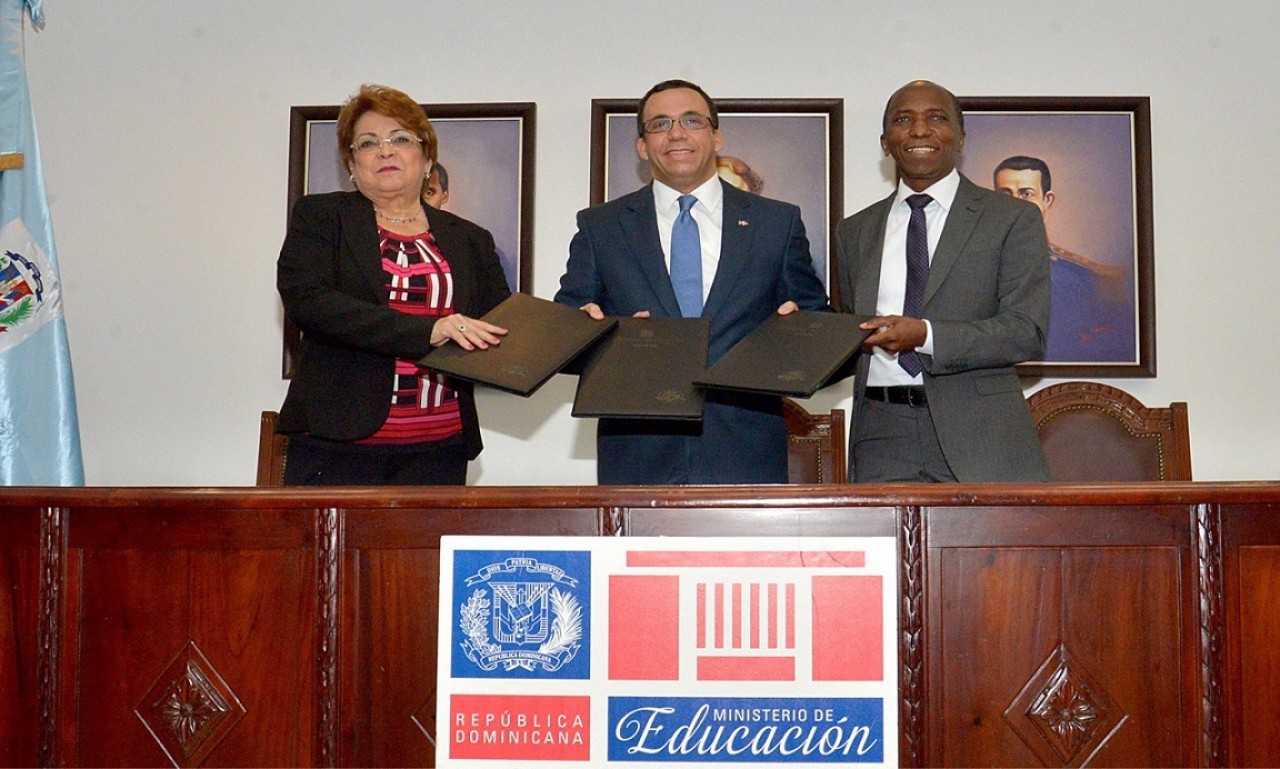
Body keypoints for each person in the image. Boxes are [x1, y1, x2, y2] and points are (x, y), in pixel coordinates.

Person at [555, 79, 829, 485]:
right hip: (636, 454)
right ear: (643, 146)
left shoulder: (777, 222)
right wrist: (593, 333)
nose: (677, 133)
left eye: (691, 120)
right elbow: (564, 332)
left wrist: (796, 335)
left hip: (746, 453)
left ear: (715, 137)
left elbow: (817, 325)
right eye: (660, 123)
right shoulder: (601, 227)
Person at [276, 84, 510, 485]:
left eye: (400, 139)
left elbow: (504, 322)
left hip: (442, 446)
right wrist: (430, 329)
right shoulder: (321, 216)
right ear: (351, 163)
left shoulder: (470, 237)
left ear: (427, 159)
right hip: (338, 445)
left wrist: (578, 327)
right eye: (368, 143)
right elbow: (310, 304)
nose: (385, 151)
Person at [836, 80, 1049, 482]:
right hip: (881, 434)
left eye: (936, 118)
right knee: (883, 547)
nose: (919, 130)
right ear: (886, 142)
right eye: (903, 120)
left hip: (981, 434)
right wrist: (795, 337)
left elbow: (1026, 333)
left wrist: (925, 336)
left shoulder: (1011, 219)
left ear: (961, 137)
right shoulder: (855, 231)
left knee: (987, 548)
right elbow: (852, 333)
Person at [992, 156, 1134, 362]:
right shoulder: (969, 270)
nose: (1015, 204)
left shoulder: (1089, 278)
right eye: (1005, 194)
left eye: (1026, 194)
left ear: (1047, 200)